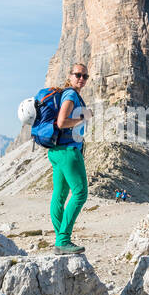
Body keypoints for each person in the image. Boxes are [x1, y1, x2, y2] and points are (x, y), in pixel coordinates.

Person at [48, 63, 89, 253]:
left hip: (57, 151)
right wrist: (83, 118)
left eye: (85, 76)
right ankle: (63, 240)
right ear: (70, 75)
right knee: (80, 193)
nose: (81, 79)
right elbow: (62, 122)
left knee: (60, 195)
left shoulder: (66, 93)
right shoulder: (71, 94)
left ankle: (60, 240)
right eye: (78, 75)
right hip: (68, 152)